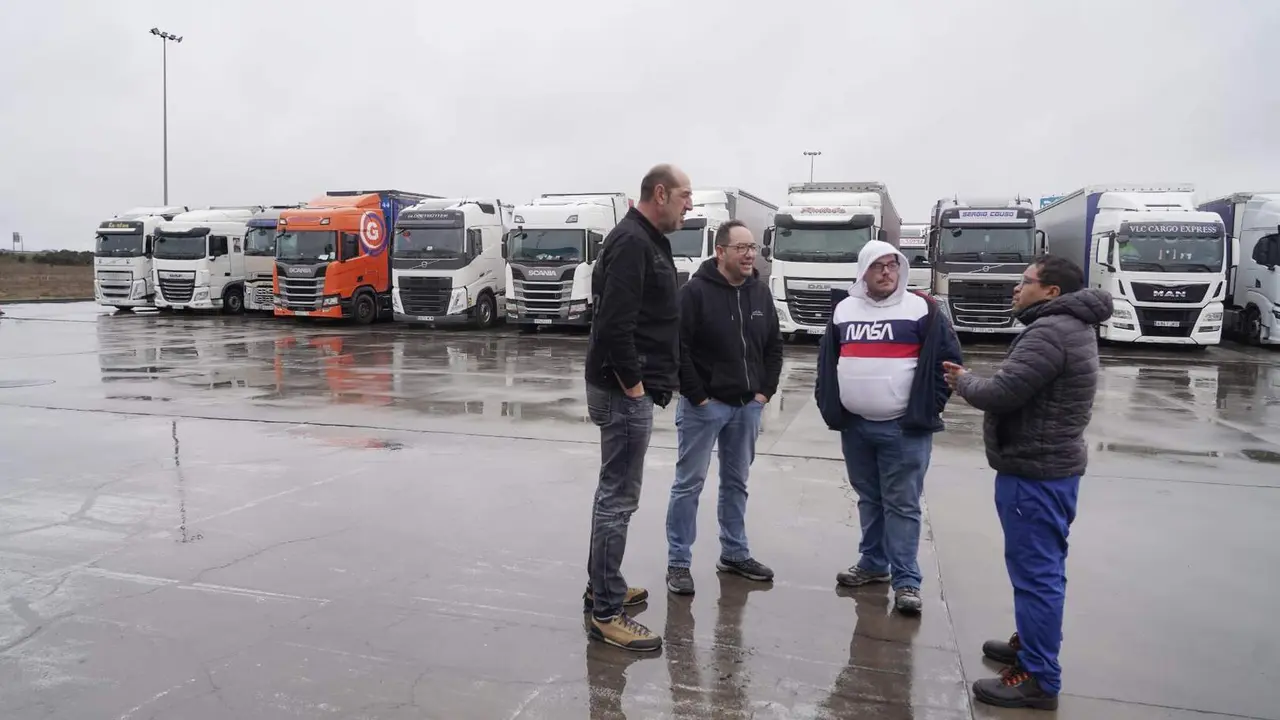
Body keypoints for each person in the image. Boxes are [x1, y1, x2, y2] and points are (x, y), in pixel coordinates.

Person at [943, 255, 1112, 711]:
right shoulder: (1068, 328)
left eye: (1025, 281)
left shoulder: (1051, 333)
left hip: (1035, 474)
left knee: (1037, 577)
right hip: (1049, 470)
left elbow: (1003, 392)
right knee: (1041, 571)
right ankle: (1030, 645)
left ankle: (1038, 677)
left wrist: (964, 381)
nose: (1017, 289)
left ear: (1052, 291)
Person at [814, 238, 962, 614]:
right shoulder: (844, 310)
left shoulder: (922, 310)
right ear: (863, 270)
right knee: (870, 499)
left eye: (892, 265)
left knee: (903, 504)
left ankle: (907, 581)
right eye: (878, 266)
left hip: (904, 430)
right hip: (856, 428)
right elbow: (827, 362)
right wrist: (830, 404)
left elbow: (948, 362)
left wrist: (929, 406)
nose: (886, 272)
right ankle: (873, 564)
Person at [581, 163, 692, 652]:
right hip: (622, 390)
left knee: (614, 495)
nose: (690, 205)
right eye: (685, 196)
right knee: (618, 499)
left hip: (627, 386)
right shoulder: (633, 242)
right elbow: (613, 326)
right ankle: (606, 612)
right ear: (661, 193)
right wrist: (633, 388)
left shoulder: (643, 239)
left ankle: (603, 586)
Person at [664, 220, 783, 596]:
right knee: (688, 485)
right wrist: (698, 395)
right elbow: (676, 349)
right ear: (720, 252)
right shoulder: (694, 293)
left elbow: (774, 347)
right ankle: (678, 562)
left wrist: (764, 392)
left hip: (747, 408)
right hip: (705, 408)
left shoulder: (759, 294)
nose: (750, 254)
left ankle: (734, 553)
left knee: (736, 483)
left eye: (753, 248)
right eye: (741, 248)